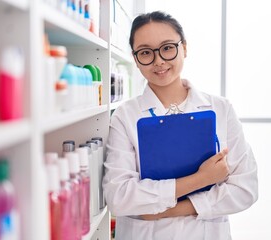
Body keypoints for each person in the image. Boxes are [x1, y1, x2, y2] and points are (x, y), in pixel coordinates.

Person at [102, 11, 258, 240]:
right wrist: (201, 180)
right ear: (135, 59)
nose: (158, 61)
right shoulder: (125, 116)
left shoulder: (221, 109)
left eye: (167, 48)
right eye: (146, 52)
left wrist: (165, 210)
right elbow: (119, 197)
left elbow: (245, 189)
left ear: (184, 47)